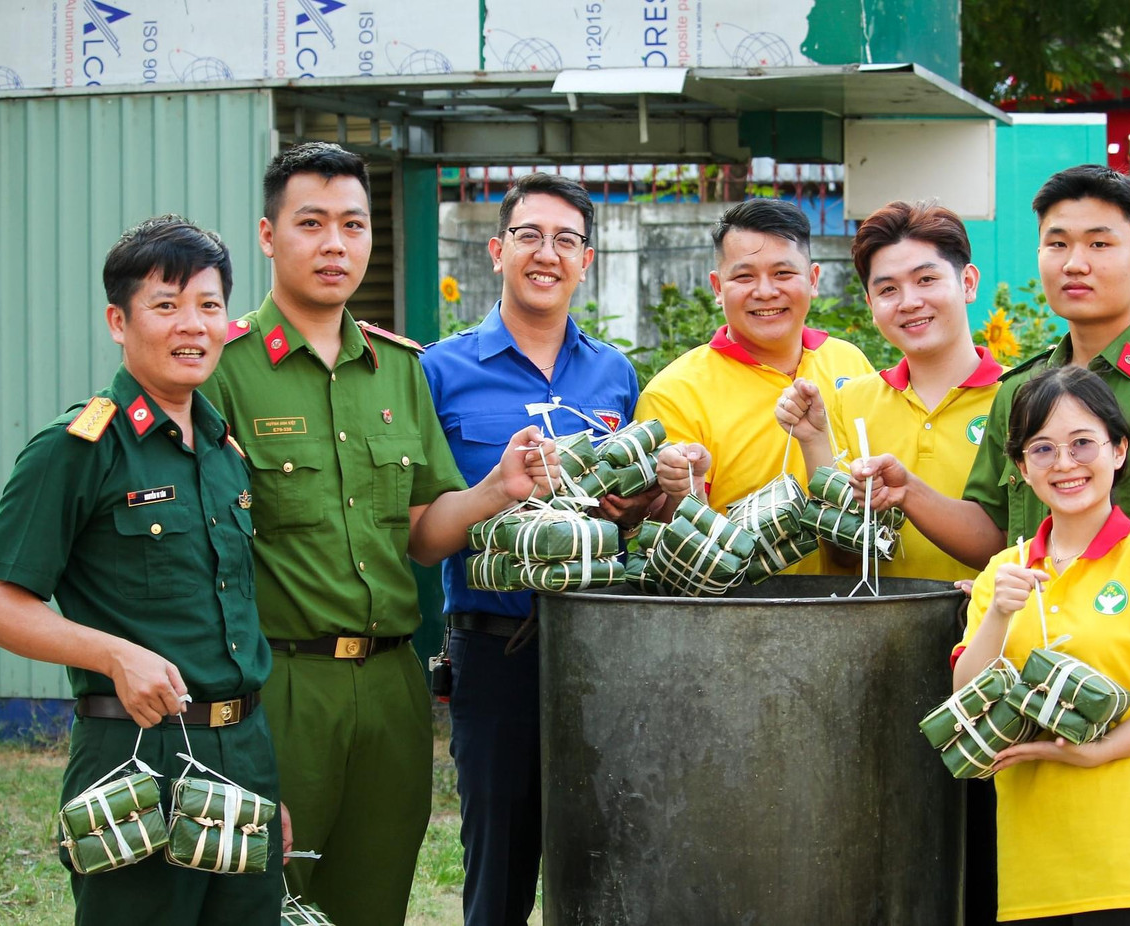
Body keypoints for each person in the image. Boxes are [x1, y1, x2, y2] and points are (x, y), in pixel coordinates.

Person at [855, 166, 1130, 926]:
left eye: (1101, 242)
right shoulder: (1023, 388)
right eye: (1057, 242)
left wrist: (1086, 577)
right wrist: (909, 492)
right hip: (1030, 697)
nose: (1075, 262)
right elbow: (994, 533)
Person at [202, 143, 553, 926]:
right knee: (259, 904)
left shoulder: (400, 370)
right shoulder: (221, 372)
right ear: (268, 236)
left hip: (392, 691)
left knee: (372, 904)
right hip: (282, 687)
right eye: (312, 223)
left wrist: (496, 489)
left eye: (353, 225)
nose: (335, 244)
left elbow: (426, 536)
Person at [0, 216, 285, 924]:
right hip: (137, 756)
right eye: (165, 306)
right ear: (119, 320)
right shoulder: (80, 445)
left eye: (208, 305)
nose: (191, 326)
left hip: (245, 752)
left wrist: (263, 783)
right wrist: (112, 654)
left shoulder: (226, 454)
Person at [421, 172, 645, 926]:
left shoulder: (614, 373)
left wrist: (653, 498)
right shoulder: (440, 371)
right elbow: (422, 533)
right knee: (500, 876)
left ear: (587, 262)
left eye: (566, 241)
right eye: (529, 236)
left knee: (606, 865)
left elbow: (632, 519)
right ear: (496, 251)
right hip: (496, 655)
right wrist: (495, 490)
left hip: (602, 650)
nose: (547, 254)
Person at [953, 365, 1130, 924]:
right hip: (1032, 870)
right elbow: (967, 695)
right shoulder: (1003, 572)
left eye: (1082, 443)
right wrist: (1000, 613)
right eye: (1042, 449)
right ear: (1022, 468)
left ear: (1119, 450)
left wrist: (1096, 751)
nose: (1065, 464)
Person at [641, 198, 873, 572]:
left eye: (783, 273)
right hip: (735, 616)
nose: (765, 292)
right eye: (744, 276)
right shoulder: (675, 393)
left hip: (854, 604)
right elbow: (660, 548)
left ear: (813, 280)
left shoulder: (850, 363)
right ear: (718, 287)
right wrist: (687, 491)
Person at [775, 200, 1001, 581]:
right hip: (883, 628)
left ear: (968, 283)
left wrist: (910, 494)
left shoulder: (1021, 396)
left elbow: (1030, 539)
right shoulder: (851, 401)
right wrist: (814, 442)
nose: (910, 302)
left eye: (926, 280)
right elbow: (845, 556)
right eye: (888, 289)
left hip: (993, 631)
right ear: (870, 304)